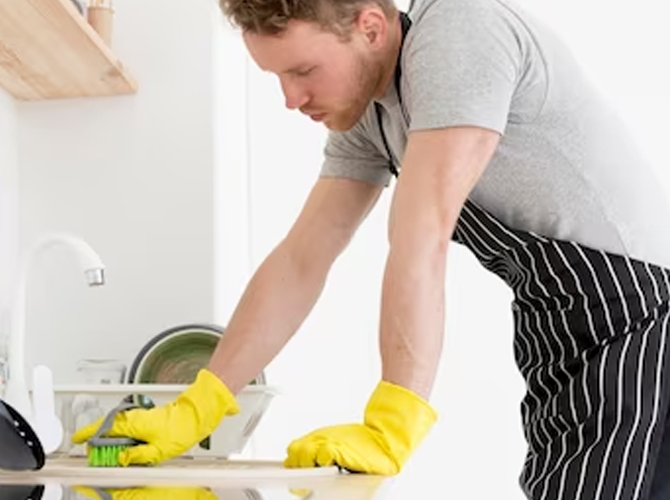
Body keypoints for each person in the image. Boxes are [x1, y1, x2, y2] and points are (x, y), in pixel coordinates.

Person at [70, 0, 670, 498]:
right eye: (276, 77)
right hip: (563, 329)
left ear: (370, 26)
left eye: (302, 70)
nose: (290, 98)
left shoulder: (459, 34)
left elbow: (421, 234)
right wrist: (200, 404)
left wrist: (391, 423)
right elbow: (303, 256)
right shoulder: (371, 114)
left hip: (644, 316)